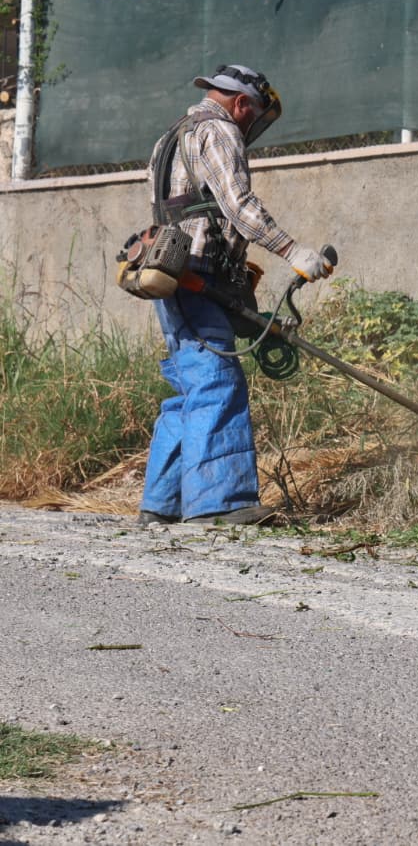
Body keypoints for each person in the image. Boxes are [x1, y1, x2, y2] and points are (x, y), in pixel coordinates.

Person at [137, 65, 333, 526]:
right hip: (198, 273)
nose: (251, 126)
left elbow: (180, 210)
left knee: (190, 390)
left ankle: (161, 503)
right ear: (242, 103)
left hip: (171, 273)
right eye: (254, 115)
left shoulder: (172, 135)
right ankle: (220, 503)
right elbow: (238, 206)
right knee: (217, 384)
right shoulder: (219, 131)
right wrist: (293, 251)